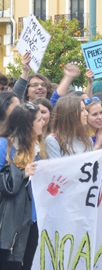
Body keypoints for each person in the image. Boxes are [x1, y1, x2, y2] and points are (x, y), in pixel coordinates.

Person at [0, 103, 43, 269]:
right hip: (9, 224)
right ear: (28, 125)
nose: (43, 123)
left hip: (30, 221)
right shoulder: (4, 146)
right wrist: (22, 173)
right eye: (39, 120)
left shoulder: (35, 147)